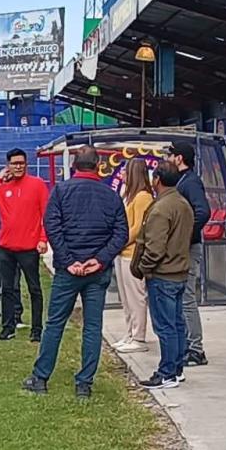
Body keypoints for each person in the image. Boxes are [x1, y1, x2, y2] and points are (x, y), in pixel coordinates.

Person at [21, 146, 128, 399]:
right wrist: (100, 260)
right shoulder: (111, 195)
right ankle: (84, 383)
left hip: (68, 270)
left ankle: (40, 377)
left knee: (55, 323)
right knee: (92, 326)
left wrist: (68, 261)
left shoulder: (60, 191)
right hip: (96, 271)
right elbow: (121, 233)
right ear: (98, 165)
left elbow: (52, 225)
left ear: (74, 166)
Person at [131, 161, 194, 390]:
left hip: (163, 275)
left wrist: (145, 268)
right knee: (176, 324)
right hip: (179, 273)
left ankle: (167, 373)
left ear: (157, 179)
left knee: (166, 327)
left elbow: (155, 248)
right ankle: (176, 370)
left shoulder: (160, 209)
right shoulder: (183, 204)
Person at [0, 148, 49, 343]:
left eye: (21, 163)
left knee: (34, 288)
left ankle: (36, 329)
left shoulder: (37, 185)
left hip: (29, 248)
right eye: (14, 163)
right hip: (5, 247)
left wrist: (43, 239)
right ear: (8, 165)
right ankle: (8, 327)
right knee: (7, 289)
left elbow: (46, 214)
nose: (18, 166)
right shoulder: (2, 187)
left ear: (26, 164)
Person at [169, 142, 211, 370]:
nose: (168, 158)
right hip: (183, 247)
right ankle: (187, 344)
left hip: (189, 247)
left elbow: (203, 211)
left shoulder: (191, 182)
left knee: (186, 297)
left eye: (171, 154)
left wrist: (184, 234)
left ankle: (195, 349)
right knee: (180, 296)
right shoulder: (182, 181)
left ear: (179, 158)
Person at [112, 158, 155, 354]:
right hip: (122, 253)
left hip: (132, 253)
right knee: (126, 297)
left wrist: (119, 241)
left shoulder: (143, 197)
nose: (122, 175)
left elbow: (139, 228)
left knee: (136, 297)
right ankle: (129, 332)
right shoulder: (129, 195)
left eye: (125, 172)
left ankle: (139, 336)